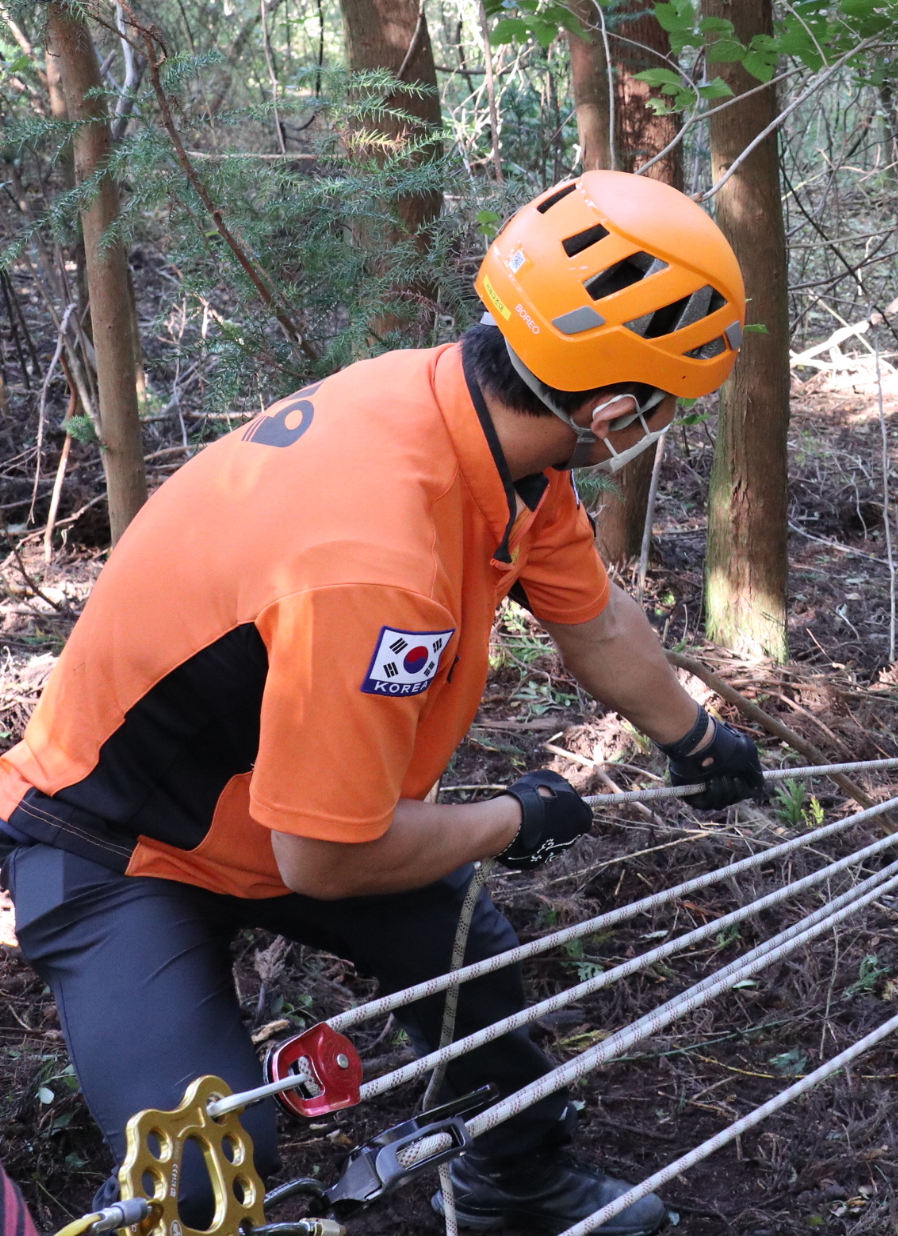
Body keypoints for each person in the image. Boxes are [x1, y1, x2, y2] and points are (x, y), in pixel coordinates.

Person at [0, 172, 765, 1236]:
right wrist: (520, 816)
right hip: (116, 845)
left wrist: (695, 735)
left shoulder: (481, 431)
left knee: (465, 952)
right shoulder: (377, 557)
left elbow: (593, 622)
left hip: (282, 814)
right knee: (201, 1168)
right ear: (617, 410)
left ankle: (515, 1183)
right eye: (667, 409)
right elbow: (327, 856)